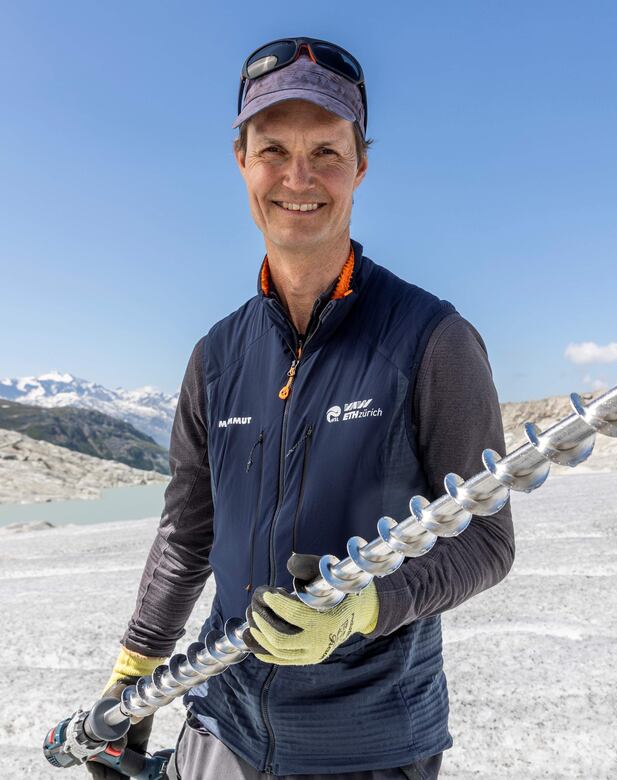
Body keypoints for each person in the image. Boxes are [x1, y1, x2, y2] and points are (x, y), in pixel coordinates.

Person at [88, 36, 514, 780]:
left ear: (361, 165)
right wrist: (135, 675)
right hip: (222, 721)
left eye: (326, 151)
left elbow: (485, 541)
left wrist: (364, 608)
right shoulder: (216, 357)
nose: (297, 177)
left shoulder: (432, 339)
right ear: (240, 161)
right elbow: (189, 533)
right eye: (273, 150)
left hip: (373, 745)